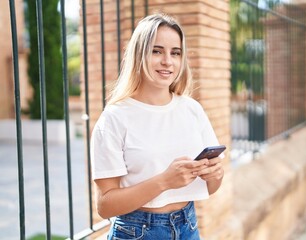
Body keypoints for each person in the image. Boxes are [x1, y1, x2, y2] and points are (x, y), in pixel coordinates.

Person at [90, 13, 225, 240]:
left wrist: (215, 174)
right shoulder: (115, 118)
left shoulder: (192, 109)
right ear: (138, 54)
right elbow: (105, 205)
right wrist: (164, 181)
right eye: (156, 51)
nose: (167, 61)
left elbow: (211, 187)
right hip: (137, 232)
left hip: (187, 227)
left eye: (175, 53)